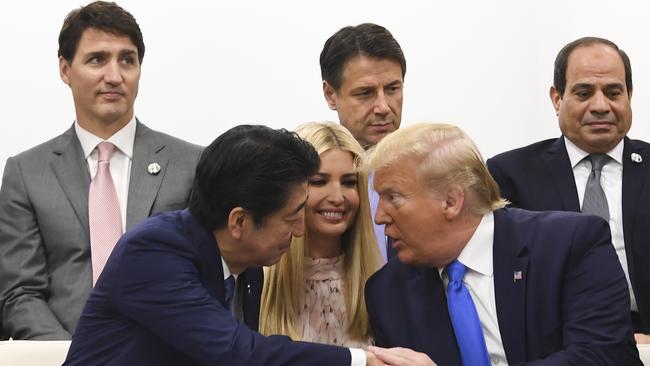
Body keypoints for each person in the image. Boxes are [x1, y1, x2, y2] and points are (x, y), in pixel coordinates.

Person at [64, 125, 411, 365]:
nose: (301, 230)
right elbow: (240, 353)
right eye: (292, 217)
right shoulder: (154, 251)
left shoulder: (244, 267)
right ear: (240, 222)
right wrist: (361, 360)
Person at [0, 1, 201, 340]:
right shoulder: (26, 173)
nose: (114, 76)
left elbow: (205, 278)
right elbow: (21, 292)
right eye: (97, 59)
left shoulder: (191, 165)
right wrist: (71, 356)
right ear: (65, 69)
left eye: (127, 60)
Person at [364, 123, 641, 365]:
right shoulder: (388, 291)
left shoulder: (569, 245)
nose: (379, 218)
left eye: (393, 198)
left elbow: (601, 358)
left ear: (451, 201)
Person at [486, 37, 650, 342]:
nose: (600, 106)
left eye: (613, 92)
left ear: (630, 95)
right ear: (557, 98)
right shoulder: (510, 175)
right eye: (584, 92)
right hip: (557, 343)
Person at [260, 122, 381, 348]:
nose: (337, 196)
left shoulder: (380, 289)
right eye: (319, 181)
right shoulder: (256, 285)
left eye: (349, 182)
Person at [320, 23, 406, 262]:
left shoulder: (432, 175)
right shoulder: (305, 181)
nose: (383, 107)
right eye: (365, 93)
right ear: (330, 95)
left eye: (392, 89)